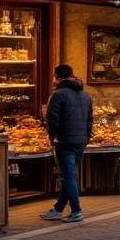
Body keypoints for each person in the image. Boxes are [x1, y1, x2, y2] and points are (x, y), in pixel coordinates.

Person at [40, 64, 92, 223]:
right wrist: (87, 137)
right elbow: (90, 119)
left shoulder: (58, 95)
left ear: (57, 76)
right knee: (69, 175)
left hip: (65, 141)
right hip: (81, 141)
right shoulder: (85, 95)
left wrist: (51, 136)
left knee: (68, 176)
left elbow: (52, 119)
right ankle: (57, 210)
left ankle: (76, 211)